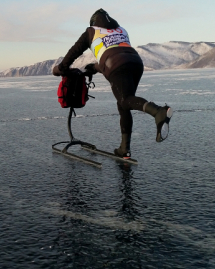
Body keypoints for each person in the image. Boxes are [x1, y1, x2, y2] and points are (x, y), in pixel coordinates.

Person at [53, 9, 172, 161]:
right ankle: (124, 149)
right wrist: (95, 67)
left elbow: (74, 52)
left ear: (93, 22)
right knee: (124, 104)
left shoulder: (91, 31)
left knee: (125, 99)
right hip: (135, 63)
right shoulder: (121, 29)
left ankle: (158, 112)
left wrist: (61, 69)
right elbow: (116, 51)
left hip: (116, 65)